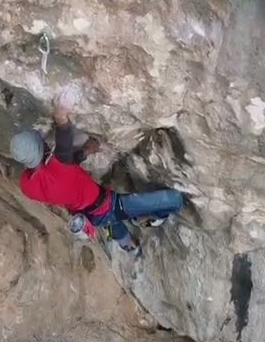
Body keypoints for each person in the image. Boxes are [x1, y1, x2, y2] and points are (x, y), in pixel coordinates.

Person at [10, 97, 184, 255]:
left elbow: (64, 169)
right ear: (41, 148)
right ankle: (151, 219)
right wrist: (61, 115)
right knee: (174, 199)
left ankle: (128, 246)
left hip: (88, 213)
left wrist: (85, 151)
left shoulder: (27, 186)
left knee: (112, 224)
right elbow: (63, 136)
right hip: (109, 205)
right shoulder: (59, 166)